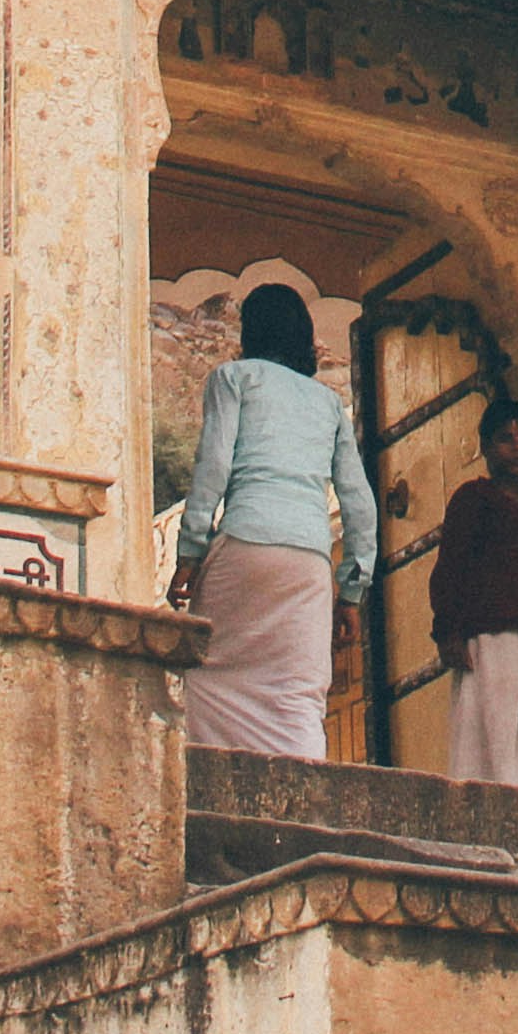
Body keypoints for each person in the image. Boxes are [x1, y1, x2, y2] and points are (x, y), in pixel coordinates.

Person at [173, 283, 379, 756]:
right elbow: (360, 505)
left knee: (207, 678)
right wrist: (351, 593)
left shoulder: (234, 379)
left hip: (245, 547)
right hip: (308, 565)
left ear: (251, 333)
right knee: (298, 697)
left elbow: (212, 470)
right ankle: (302, 812)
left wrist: (189, 553)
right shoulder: (328, 404)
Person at [427, 393, 518, 792]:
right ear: (486, 447)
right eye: (506, 438)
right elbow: (450, 568)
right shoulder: (473, 500)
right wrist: (448, 633)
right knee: (490, 734)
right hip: (485, 643)